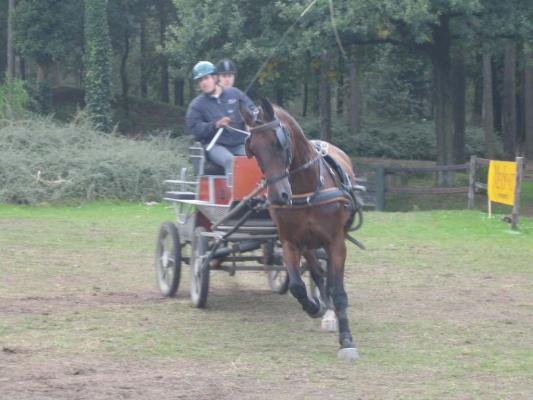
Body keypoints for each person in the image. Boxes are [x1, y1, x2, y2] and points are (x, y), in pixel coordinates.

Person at [185, 61, 258, 177]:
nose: (204, 83)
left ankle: (257, 194)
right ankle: (234, 194)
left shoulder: (234, 93)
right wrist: (216, 125)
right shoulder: (197, 105)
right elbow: (195, 129)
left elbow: (252, 109)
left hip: (239, 144)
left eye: (206, 78)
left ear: (215, 77)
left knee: (255, 159)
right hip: (215, 146)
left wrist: (253, 116)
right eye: (200, 80)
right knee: (231, 161)